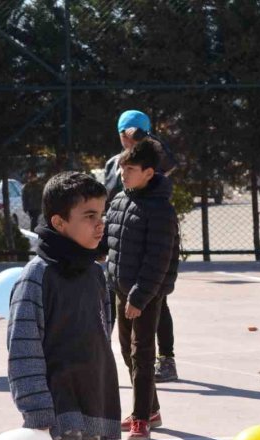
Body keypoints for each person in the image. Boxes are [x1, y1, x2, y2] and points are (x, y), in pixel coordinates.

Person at [7, 172, 119, 440]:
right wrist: (35, 405)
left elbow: (99, 333)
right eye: (88, 215)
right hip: (54, 402)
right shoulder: (37, 275)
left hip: (89, 397)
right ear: (58, 223)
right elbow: (22, 344)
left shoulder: (94, 273)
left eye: (101, 214)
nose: (99, 224)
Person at [105, 140, 179, 440]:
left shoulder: (160, 209)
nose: (124, 174)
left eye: (131, 169)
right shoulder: (121, 199)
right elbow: (110, 242)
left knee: (143, 354)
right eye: (122, 168)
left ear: (149, 173)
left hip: (146, 295)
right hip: (121, 290)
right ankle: (152, 410)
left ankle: (139, 419)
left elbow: (158, 259)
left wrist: (138, 297)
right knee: (127, 351)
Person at [102, 110, 179, 383]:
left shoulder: (153, 159)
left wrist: (146, 139)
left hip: (149, 234)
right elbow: (107, 196)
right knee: (114, 302)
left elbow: (170, 162)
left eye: (134, 132)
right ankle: (113, 358)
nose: (128, 138)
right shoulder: (115, 164)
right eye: (125, 133)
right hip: (122, 239)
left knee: (156, 300)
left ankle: (166, 359)